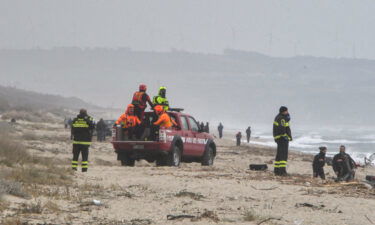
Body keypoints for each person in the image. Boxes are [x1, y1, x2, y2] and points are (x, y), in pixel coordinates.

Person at [273, 106, 292, 176]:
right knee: (283, 156)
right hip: (282, 139)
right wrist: (286, 137)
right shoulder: (282, 118)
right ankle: (282, 171)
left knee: (279, 155)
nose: (288, 112)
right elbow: (282, 129)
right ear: (283, 111)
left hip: (279, 139)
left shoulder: (279, 117)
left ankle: (277, 170)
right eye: (287, 111)